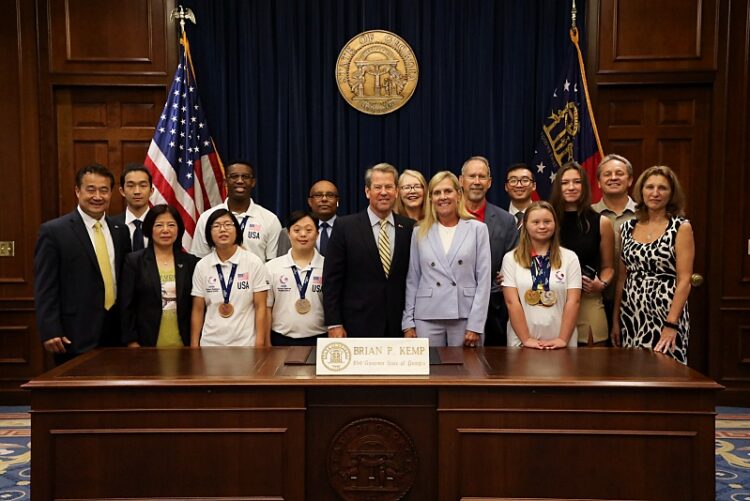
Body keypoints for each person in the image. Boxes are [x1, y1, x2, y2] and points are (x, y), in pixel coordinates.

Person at [34, 163, 131, 364]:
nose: (98, 196)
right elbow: (46, 285)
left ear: (111, 193)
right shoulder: (54, 232)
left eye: (104, 190)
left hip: (117, 332)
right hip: (74, 333)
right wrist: (50, 329)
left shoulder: (120, 230)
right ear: (78, 191)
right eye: (91, 189)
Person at [613, 165, 695, 364]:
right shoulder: (627, 227)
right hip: (632, 312)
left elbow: (684, 280)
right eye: (650, 187)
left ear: (671, 193)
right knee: (632, 371)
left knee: (666, 371)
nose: (655, 193)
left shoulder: (680, 227)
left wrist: (671, 324)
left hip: (666, 312)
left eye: (662, 188)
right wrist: (616, 319)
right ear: (641, 191)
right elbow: (622, 278)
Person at [323, 163, 415, 338]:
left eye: (388, 187)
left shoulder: (409, 228)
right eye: (377, 187)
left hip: (398, 325)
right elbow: (332, 280)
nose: (383, 192)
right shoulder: (345, 227)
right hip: (356, 324)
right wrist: (334, 323)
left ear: (396, 191)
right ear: (367, 191)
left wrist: (410, 323)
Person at [402, 171, 491, 347]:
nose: (442, 197)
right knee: (430, 372)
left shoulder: (477, 229)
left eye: (447, 191)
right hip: (427, 316)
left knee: (467, 371)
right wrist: (408, 323)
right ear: (431, 199)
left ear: (458, 194)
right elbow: (413, 280)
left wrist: (476, 324)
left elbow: (484, 281)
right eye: (436, 192)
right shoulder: (419, 231)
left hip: (464, 315)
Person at [550, 161, 615, 346]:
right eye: (565, 182)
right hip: (552, 302)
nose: (571, 187)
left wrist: (601, 284)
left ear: (584, 186)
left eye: (577, 182)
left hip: (588, 300)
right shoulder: (546, 220)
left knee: (592, 367)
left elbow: (609, 267)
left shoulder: (601, 222)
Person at [501, 201, 582, 349]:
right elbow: (512, 303)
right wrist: (526, 339)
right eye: (536, 222)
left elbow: (574, 301)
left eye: (547, 221)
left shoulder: (570, 258)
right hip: (522, 341)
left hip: (560, 339)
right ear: (525, 224)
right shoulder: (511, 259)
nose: (542, 226)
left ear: (555, 224)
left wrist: (562, 339)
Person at [119, 204, 199, 347]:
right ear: (149, 229)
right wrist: (131, 341)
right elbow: (126, 306)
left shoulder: (190, 262)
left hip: (184, 344)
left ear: (179, 229)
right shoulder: (134, 261)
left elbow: (196, 306)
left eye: (171, 225)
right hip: (146, 345)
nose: (165, 230)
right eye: (159, 225)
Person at [459, 156, 518, 346]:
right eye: (472, 176)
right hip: (451, 308)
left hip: (494, 312)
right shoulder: (446, 217)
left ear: (489, 182)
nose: (477, 182)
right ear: (461, 181)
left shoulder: (506, 221)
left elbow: (510, 268)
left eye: (482, 177)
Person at [191, 209, 270, 347]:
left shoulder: (253, 262)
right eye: (216, 226)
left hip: (246, 345)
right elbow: (198, 309)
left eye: (228, 224)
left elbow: (261, 307)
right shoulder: (202, 266)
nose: (223, 230)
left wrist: (259, 343)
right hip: (210, 345)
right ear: (209, 233)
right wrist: (194, 345)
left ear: (237, 230)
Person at [191, 161, 282, 261]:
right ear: (225, 182)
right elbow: (199, 258)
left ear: (253, 182)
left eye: (245, 177)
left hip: (257, 276)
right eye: (234, 176)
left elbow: (273, 263)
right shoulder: (207, 218)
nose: (240, 181)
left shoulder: (270, 219)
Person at [592, 154, 637, 337]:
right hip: (596, 298)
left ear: (630, 180)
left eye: (619, 173)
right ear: (598, 183)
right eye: (607, 174)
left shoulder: (645, 215)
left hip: (634, 300)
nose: (613, 178)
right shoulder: (589, 215)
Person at [266, 211, 326, 346]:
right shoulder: (271, 267)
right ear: (288, 233)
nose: (303, 234)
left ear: (317, 234)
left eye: (309, 230)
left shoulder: (328, 267)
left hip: (320, 340)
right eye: (297, 230)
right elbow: (266, 308)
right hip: (280, 340)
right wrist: (266, 343)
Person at [277, 180, 340, 256]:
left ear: (337, 201)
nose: (324, 199)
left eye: (330, 195)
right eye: (318, 195)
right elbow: (281, 263)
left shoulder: (350, 230)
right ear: (310, 201)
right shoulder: (288, 233)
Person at [111, 163, 153, 251]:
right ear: (122, 191)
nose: (137, 191)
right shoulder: (110, 225)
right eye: (130, 186)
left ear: (151, 191)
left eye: (143, 185)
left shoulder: (160, 224)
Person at [504, 163, 536, 231]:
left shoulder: (542, 214)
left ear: (534, 186)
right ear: (506, 186)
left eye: (525, 180)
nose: (519, 185)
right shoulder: (497, 216)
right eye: (513, 181)